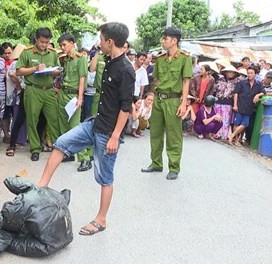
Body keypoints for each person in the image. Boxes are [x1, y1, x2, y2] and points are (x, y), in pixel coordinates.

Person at [37, 22, 135, 236]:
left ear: (110, 42)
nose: (99, 43)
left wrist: (115, 137)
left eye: (101, 39)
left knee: (105, 177)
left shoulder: (126, 69)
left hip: (108, 131)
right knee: (61, 143)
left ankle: (101, 219)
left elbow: (126, 107)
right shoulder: (108, 60)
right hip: (95, 122)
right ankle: (40, 188)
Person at [141, 27, 193, 180]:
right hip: (158, 99)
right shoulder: (161, 59)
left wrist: (183, 104)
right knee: (155, 133)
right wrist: (151, 95)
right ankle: (156, 163)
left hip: (173, 100)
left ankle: (174, 167)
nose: (163, 41)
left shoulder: (185, 58)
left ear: (174, 40)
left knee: (173, 135)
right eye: (163, 38)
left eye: (166, 38)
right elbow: (156, 80)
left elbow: (185, 82)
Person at [16, 27, 61, 161]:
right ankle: (35, 148)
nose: (44, 45)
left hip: (49, 90)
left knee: (54, 119)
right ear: (36, 39)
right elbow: (19, 71)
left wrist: (53, 71)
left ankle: (59, 147)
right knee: (32, 119)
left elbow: (58, 70)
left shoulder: (53, 54)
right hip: (33, 90)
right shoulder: (27, 52)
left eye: (46, 42)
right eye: (42, 42)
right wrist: (35, 68)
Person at [56, 33, 91, 172]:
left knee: (75, 128)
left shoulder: (80, 58)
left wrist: (80, 97)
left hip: (74, 95)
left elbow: (82, 78)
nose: (62, 47)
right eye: (61, 45)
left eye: (64, 44)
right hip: (64, 93)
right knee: (63, 125)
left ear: (72, 43)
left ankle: (85, 158)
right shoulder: (65, 59)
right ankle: (68, 153)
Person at [228, 66, 265, 147]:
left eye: (251, 73)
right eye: (248, 73)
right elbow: (236, 93)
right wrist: (235, 105)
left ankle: (232, 135)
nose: (249, 75)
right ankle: (236, 140)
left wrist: (258, 95)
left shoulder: (258, 84)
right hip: (240, 105)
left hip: (249, 107)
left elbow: (263, 92)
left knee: (245, 124)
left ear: (255, 74)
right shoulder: (241, 82)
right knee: (237, 123)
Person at [214, 65, 239, 141]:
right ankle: (216, 133)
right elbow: (216, 89)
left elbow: (235, 93)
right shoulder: (220, 79)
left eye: (233, 72)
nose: (231, 74)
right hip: (218, 100)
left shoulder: (236, 82)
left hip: (228, 102)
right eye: (229, 72)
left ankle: (224, 135)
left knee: (226, 119)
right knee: (217, 117)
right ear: (226, 72)